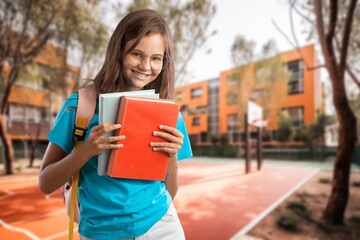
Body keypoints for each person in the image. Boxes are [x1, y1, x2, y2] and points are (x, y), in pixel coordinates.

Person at [38, 9, 192, 240]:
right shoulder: (79, 106)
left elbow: (170, 190)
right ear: (118, 52)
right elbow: (45, 182)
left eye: (156, 58)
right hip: (100, 232)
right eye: (137, 54)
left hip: (162, 225)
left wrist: (170, 154)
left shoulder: (168, 113)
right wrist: (85, 151)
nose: (146, 65)